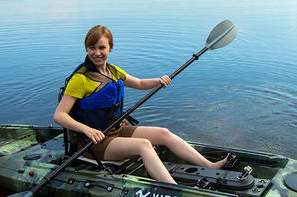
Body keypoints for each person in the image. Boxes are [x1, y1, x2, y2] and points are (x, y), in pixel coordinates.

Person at [54, 25, 228, 184]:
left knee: (163, 133)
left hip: (117, 130)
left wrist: (158, 80)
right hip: (94, 143)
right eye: (92, 48)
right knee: (143, 144)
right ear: (86, 48)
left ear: (110, 48)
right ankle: (175, 189)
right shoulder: (80, 79)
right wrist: (87, 130)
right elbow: (59, 115)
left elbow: (139, 83)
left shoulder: (113, 71)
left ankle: (210, 166)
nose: (97, 53)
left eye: (102, 48)